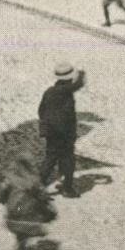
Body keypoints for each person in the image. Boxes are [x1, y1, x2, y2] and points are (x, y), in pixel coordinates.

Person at [0, 155, 56, 250]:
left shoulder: (10, 179)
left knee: (20, 235)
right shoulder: (34, 180)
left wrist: (1, 200)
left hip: (13, 217)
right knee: (25, 232)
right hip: (30, 217)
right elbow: (43, 195)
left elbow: (0, 192)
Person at [38, 62, 86, 197]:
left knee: (50, 158)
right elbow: (78, 85)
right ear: (70, 79)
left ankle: (38, 187)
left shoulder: (50, 91)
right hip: (63, 133)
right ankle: (67, 189)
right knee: (68, 159)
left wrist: (46, 126)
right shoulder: (65, 91)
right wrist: (82, 74)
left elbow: (41, 110)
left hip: (51, 132)